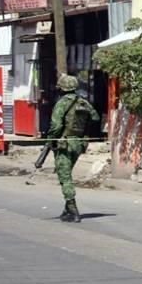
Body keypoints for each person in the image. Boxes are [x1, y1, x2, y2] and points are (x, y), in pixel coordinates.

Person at [47, 75, 99, 223]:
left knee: (64, 177)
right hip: (78, 143)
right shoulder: (84, 102)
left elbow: (56, 125)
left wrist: (51, 139)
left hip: (65, 143)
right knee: (67, 172)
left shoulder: (62, 103)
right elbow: (95, 118)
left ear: (62, 88)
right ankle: (66, 210)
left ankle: (73, 209)